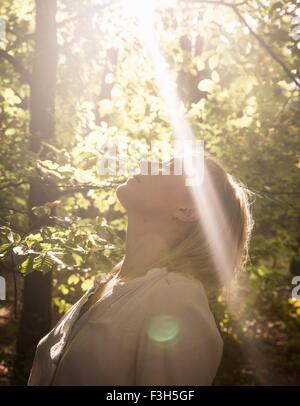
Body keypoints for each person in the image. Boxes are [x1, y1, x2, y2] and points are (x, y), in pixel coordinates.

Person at [28, 152, 254, 386]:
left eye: (168, 167)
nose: (146, 163)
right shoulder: (110, 282)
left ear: (186, 210)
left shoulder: (178, 300)